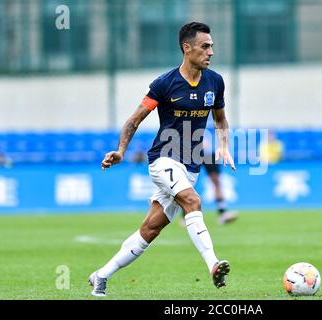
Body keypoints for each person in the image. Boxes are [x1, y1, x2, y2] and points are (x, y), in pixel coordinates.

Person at [89, 22, 236, 297]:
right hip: (163, 160)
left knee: (150, 229)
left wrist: (224, 146)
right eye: (205, 46)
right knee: (193, 201)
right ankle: (213, 264)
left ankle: (100, 275)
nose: (211, 52)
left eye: (212, 46)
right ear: (187, 48)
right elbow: (135, 119)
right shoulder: (164, 84)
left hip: (190, 165)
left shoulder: (215, 82)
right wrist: (121, 150)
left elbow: (220, 119)